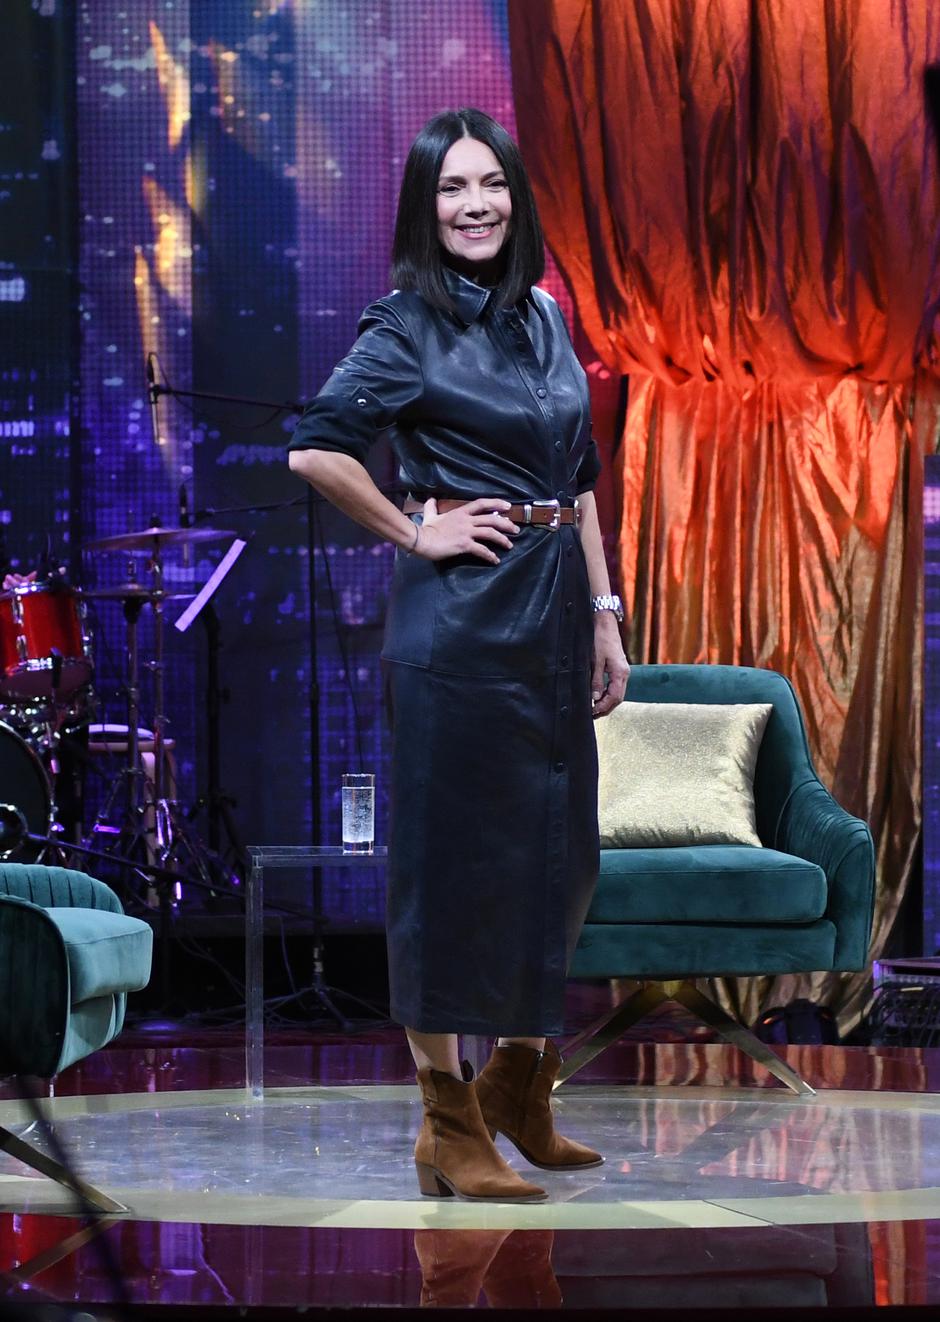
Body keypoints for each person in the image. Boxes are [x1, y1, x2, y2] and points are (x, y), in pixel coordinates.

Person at [288, 107, 629, 1203]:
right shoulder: (404, 325)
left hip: (553, 618)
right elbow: (316, 450)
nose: (474, 205)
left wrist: (606, 613)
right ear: (424, 207)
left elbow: (577, 478)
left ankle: (518, 1084)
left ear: (516, 198)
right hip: (458, 626)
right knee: (447, 875)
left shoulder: (545, 316)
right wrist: (413, 528)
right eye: (451, 188)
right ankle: (446, 1115)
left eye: (490, 184)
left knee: (560, 861)